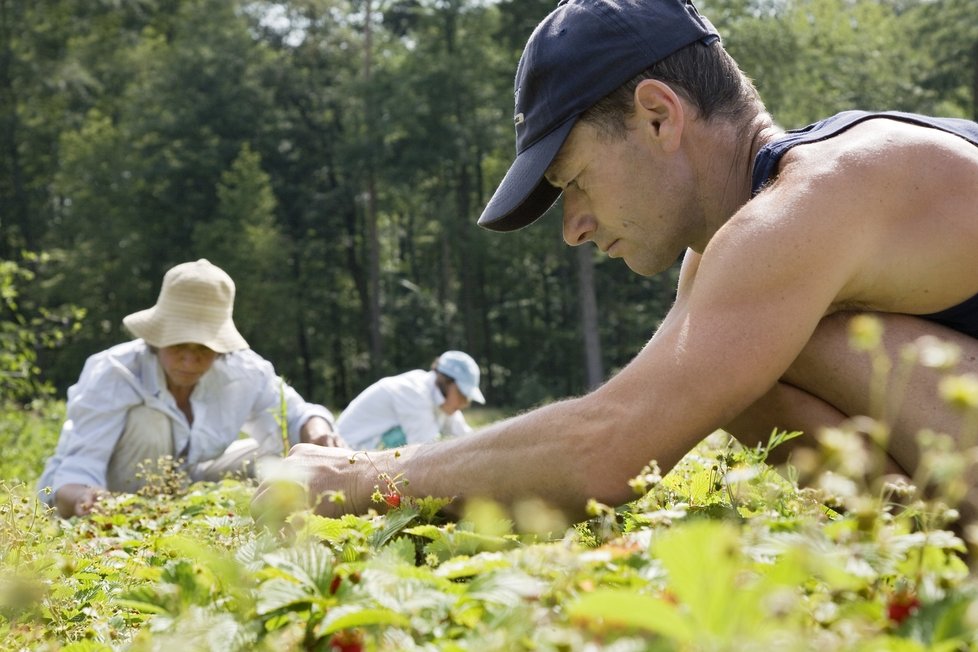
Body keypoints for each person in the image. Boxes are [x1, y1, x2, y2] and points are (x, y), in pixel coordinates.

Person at [254, 0, 978, 525]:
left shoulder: (817, 200)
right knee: (729, 373)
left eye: (574, 182)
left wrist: (357, 481)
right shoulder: (737, 257)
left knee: (766, 351)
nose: (574, 228)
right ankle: (924, 542)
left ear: (658, 115)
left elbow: (611, 446)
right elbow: (633, 422)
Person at [38, 259, 345, 518]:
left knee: (288, 452)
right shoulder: (114, 372)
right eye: (178, 345)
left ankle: (293, 519)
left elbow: (295, 416)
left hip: (187, 482)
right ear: (157, 339)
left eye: (203, 348)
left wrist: (316, 433)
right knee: (150, 422)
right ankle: (143, 518)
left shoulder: (243, 371)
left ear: (221, 348)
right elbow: (79, 468)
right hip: (102, 496)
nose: (189, 359)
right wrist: (85, 499)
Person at [336, 351, 486, 450]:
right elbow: (427, 452)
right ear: (446, 381)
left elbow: (467, 439)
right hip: (347, 454)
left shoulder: (443, 403)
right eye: (462, 394)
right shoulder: (413, 392)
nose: (465, 403)